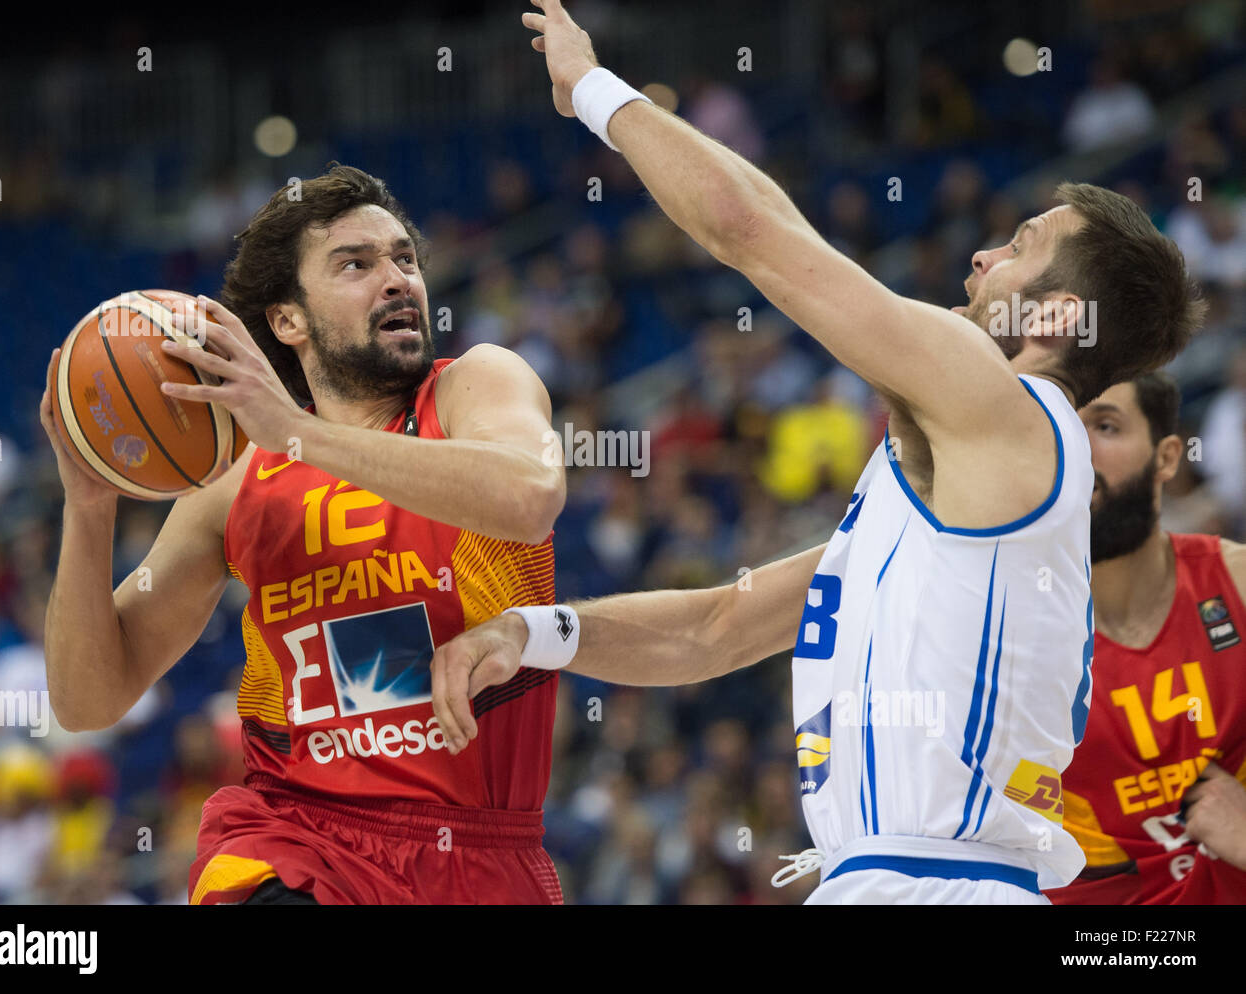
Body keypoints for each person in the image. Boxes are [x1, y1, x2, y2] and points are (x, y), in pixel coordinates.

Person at [428, 0, 1205, 905]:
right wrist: (535, 631)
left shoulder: (1011, 406)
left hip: (935, 885)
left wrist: (595, 91)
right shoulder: (961, 491)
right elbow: (714, 629)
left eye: (1021, 246)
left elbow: (752, 233)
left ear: (1060, 317)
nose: (982, 255)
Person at [40, 164, 567, 905]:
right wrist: (89, 508)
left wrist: (294, 433)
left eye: (404, 258)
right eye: (356, 263)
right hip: (298, 837)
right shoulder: (235, 482)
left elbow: (531, 495)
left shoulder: (475, 384)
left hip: (478, 856)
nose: (396, 279)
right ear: (288, 321)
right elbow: (86, 701)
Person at [1046, 373, 1246, 904]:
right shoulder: (1001, 646)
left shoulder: (1238, 587)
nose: (1076, 451)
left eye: (1104, 426)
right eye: (1060, 427)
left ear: (1167, 457)